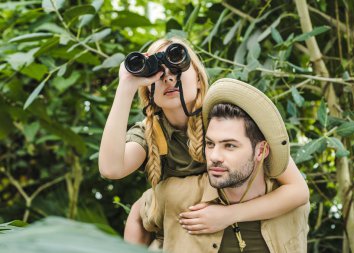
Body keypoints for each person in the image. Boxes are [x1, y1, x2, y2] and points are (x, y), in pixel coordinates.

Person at [98, 37, 309, 245]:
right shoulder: (150, 132)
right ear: (148, 90)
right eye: (158, 73)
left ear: (199, 79)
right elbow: (111, 169)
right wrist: (126, 85)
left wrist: (229, 214)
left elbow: (298, 190)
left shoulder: (223, 119)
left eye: (177, 69)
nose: (169, 79)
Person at [140, 78, 310, 253]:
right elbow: (137, 218)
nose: (214, 157)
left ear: (261, 151)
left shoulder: (292, 208)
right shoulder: (177, 194)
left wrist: (229, 215)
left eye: (230, 145)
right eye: (210, 144)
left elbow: (300, 192)